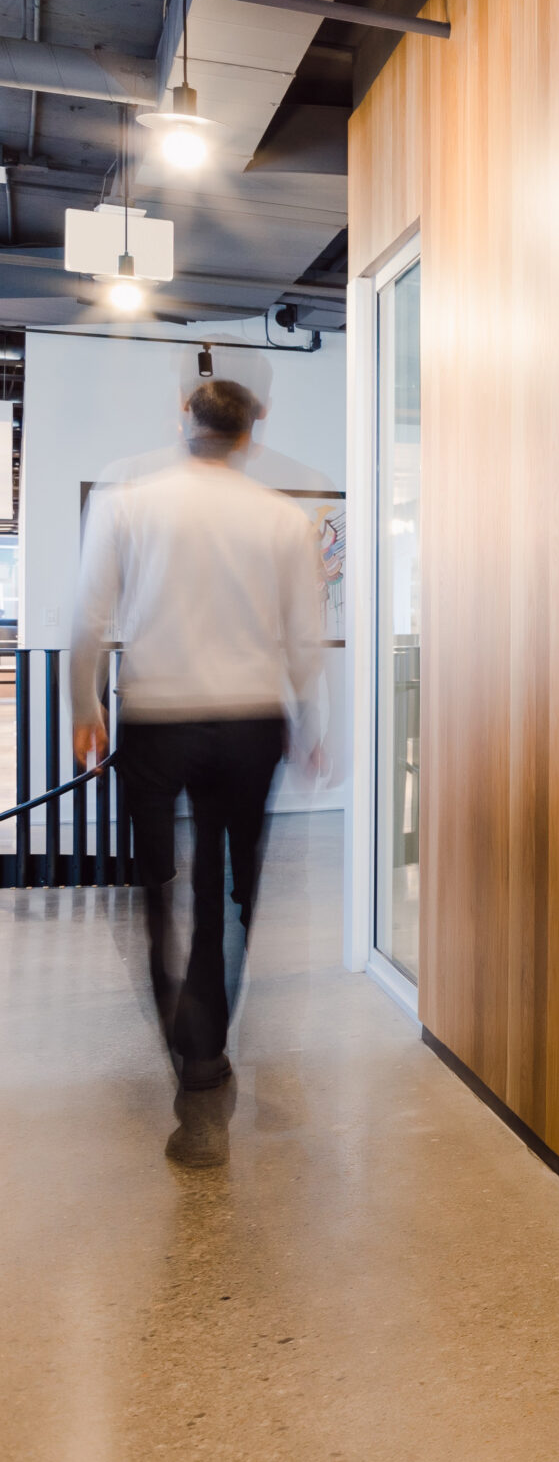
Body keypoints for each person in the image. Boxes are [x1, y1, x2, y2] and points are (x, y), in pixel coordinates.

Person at [71, 379, 328, 1096]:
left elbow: (87, 618)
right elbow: (302, 637)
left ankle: (181, 1033)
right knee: (229, 887)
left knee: (157, 884)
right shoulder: (281, 519)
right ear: (253, 431)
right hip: (249, 720)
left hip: (155, 716)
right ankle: (207, 1044)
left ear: (181, 417)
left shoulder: (127, 503)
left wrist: (82, 709)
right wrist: (313, 721)